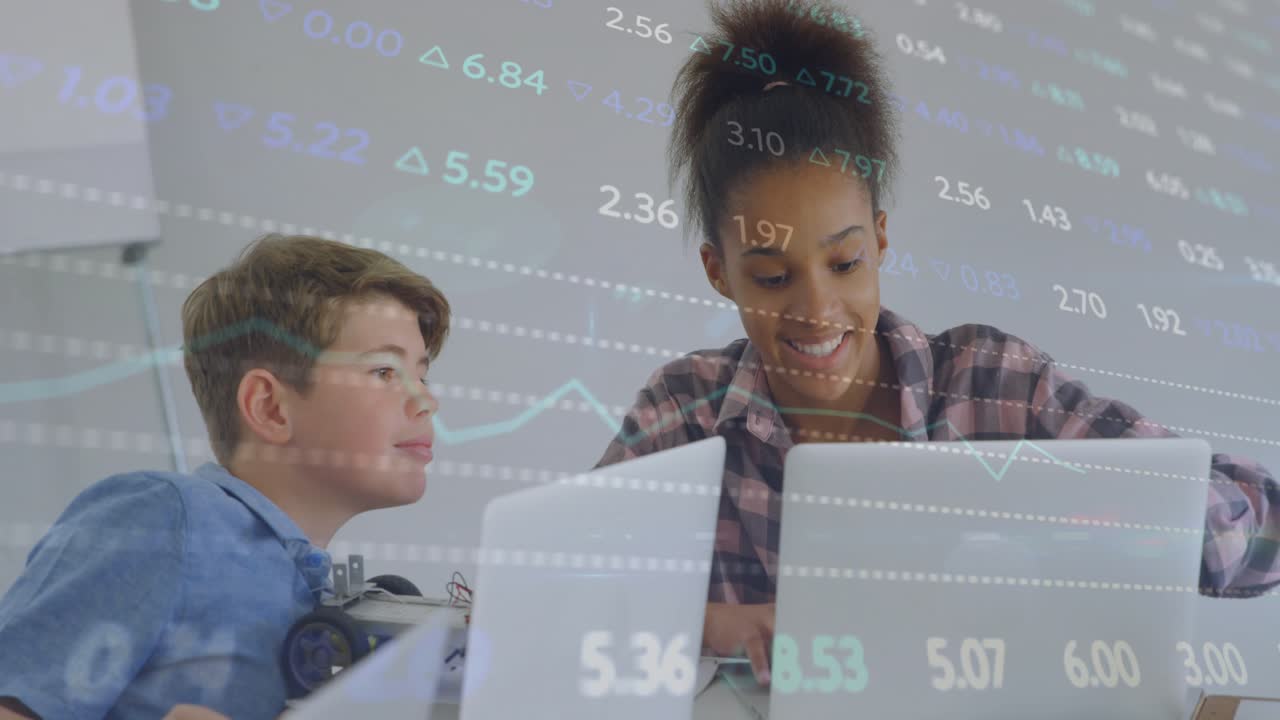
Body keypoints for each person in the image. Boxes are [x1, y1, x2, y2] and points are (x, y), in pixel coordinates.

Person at [594, 0, 1280, 687]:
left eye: (845, 264)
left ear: (882, 239)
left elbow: (1264, 527)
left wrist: (1119, 521)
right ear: (720, 272)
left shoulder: (992, 382)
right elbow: (565, 588)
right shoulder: (687, 409)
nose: (816, 311)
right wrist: (716, 624)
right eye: (771, 277)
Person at [0, 235, 449, 719]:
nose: (426, 400)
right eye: (384, 371)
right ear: (270, 407)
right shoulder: (164, 518)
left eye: (421, 375)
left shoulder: (320, 591)